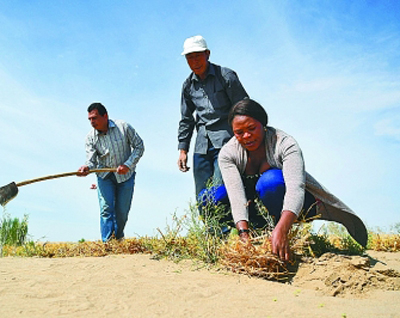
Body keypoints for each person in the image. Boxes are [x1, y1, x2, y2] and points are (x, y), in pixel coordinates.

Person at [213, 98, 368, 261]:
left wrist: (282, 230)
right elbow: (236, 197)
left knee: (270, 182)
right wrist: (244, 235)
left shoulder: (285, 143)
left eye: (252, 128)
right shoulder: (228, 153)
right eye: (239, 132)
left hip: (296, 204)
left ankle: (280, 233)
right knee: (212, 197)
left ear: (263, 124)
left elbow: (296, 189)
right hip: (255, 208)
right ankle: (260, 233)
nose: (246, 136)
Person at [177, 35, 249, 203]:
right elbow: (186, 119)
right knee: (202, 195)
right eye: (190, 57)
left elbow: (244, 109)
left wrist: (244, 139)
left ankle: (227, 228)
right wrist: (183, 150)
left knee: (219, 191)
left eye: (197, 56)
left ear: (207, 54)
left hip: (227, 141)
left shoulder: (226, 76)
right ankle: (211, 229)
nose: (194, 61)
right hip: (202, 145)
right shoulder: (188, 86)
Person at [78, 103, 144, 242]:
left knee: (121, 212)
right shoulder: (90, 138)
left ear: (105, 116)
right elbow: (91, 161)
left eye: (94, 118)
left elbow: (139, 146)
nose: (92, 122)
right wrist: (86, 168)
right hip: (104, 177)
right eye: (89, 119)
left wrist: (128, 165)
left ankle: (119, 238)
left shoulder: (123, 127)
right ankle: (107, 244)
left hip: (126, 176)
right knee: (106, 209)